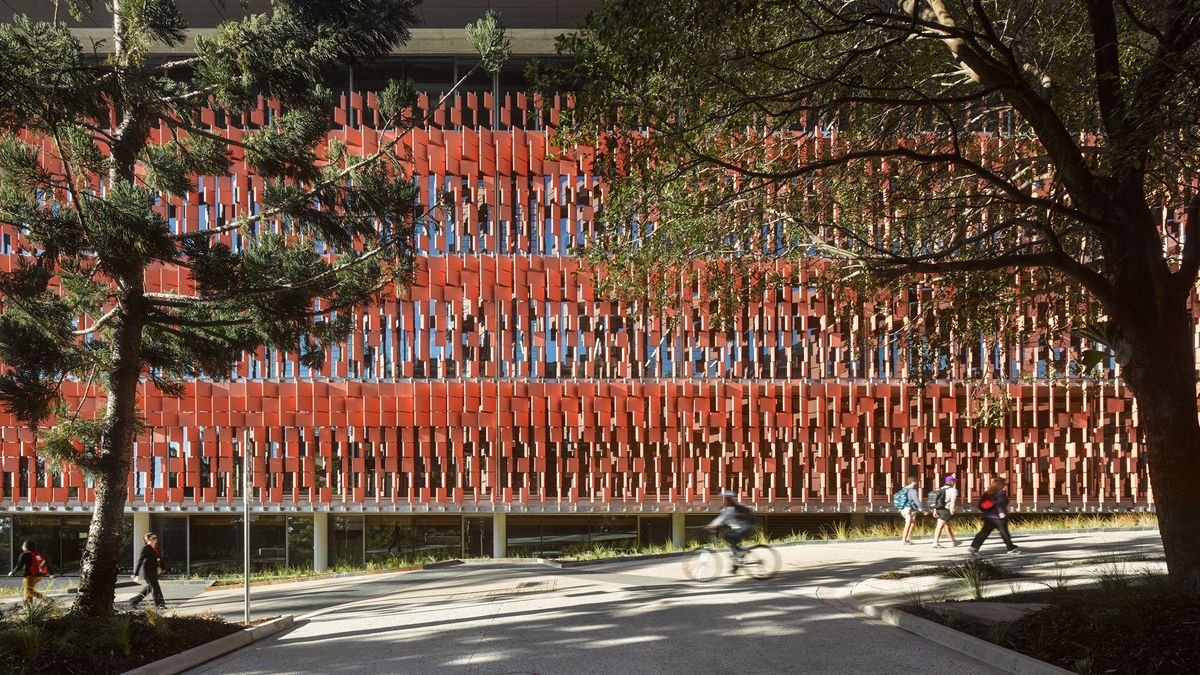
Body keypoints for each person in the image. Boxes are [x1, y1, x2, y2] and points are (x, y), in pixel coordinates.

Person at [706, 489, 760, 572]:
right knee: (733, 546)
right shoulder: (735, 505)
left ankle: (740, 553)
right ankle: (736, 566)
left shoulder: (731, 509)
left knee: (726, 537)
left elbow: (722, 519)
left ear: (727, 499)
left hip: (743, 528)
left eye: (723, 499)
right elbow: (723, 518)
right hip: (742, 528)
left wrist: (712, 525)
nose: (722, 501)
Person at [969, 478, 1023, 556]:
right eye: (1004, 484)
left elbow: (981, 504)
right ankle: (1010, 549)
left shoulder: (988, 492)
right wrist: (1001, 512)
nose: (1005, 486)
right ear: (1001, 484)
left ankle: (974, 547)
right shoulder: (1001, 493)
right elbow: (999, 503)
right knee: (1004, 533)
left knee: (984, 532)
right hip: (998, 517)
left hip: (988, 516)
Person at [7, 540, 54, 605]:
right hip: (40, 576)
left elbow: (19, 566)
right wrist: (51, 573)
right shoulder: (39, 554)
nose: (22, 547)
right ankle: (28, 608)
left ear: (25, 547)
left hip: (30, 576)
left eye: (23, 545)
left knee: (29, 591)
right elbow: (46, 564)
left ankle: (48, 600)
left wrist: (12, 572)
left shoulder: (24, 554)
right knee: (26, 591)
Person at [130, 532, 168, 609]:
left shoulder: (156, 548)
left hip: (154, 571)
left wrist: (163, 568)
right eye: (154, 538)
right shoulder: (145, 548)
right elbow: (140, 561)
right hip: (148, 572)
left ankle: (134, 601)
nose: (156, 539)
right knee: (155, 587)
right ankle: (160, 604)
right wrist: (135, 573)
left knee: (149, 588)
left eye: (156, 537)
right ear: (148, 539)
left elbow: (159, 559)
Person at [930, 475, 960, 548]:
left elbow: (936, 501)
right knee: (940, 526)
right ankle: (935, 542)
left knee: (948, 526)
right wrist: (952, 509)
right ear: (951, 482)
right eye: (954, 481)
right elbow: (953, 501)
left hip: (939, 509)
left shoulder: (940, 489)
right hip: (946, 510)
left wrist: (934, 510)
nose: (955, 482)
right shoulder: (953, 490)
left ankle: (953, 541)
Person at [893, 477, 925, 544]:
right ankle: (904, 540)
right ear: (913, 481)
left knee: (913, 523)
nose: (917, 483)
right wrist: (923, 509)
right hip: (909, 509)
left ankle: (908, 538)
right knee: (907, 524)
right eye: (916, 481)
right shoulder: (913, 491)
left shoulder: (904, 489)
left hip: (903, 509)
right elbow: (916, 500)